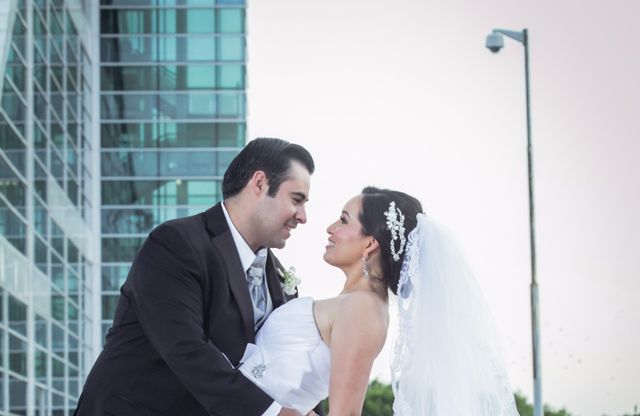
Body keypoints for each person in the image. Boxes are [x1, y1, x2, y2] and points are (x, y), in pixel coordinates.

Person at [74, 137, 319, 416]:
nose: (303, 217)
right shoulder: (176, 244)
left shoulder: (279, 278)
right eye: (296, 200)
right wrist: (273, 413)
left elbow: (292, 361)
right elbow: (187, 349)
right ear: (260, 183)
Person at [239, 187, 520, 416]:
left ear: (370, 244)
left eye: (344, 220)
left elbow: (345, 414)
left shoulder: (363, 309)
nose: (330, 228)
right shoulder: (355, 304)